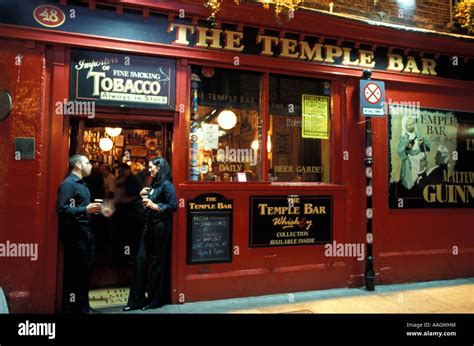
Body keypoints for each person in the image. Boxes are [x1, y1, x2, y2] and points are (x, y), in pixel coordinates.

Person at [123, 157, 177, 311]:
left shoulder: (167, 185)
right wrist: (142, 196)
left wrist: (155, 206)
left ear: (159, 167)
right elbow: (146, 204)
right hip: (149, 225)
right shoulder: (153, 184)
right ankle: (136, 301)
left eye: (151, 167)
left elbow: (173, 206)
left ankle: (154, 300)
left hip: (160, 226)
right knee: (140, 260)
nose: (149, 169)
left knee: (157, 262)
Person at [57, 154, 103, 314]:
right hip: (75, 234)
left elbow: (81, 208)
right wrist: (85, 209)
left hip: (85, 232)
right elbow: (62, 209)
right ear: (77, 165)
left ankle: (84, 306)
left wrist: (94, 211)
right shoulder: (68, 185)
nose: (91, 165)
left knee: (86, 268)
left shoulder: (82, 184)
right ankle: (79, 308)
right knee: (79, 271)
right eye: (88, 163)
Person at [398, 115, 431, 190]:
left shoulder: (419, 135)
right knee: (412, 182)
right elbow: (400, 152)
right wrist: (406, 147)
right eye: (409, 124)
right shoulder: (404, 138)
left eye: (412, 123)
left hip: (421, 161)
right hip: (410, 162)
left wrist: (423, 144)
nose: (411, 126)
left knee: (422, 182)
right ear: (405, 125)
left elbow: (428, 147)